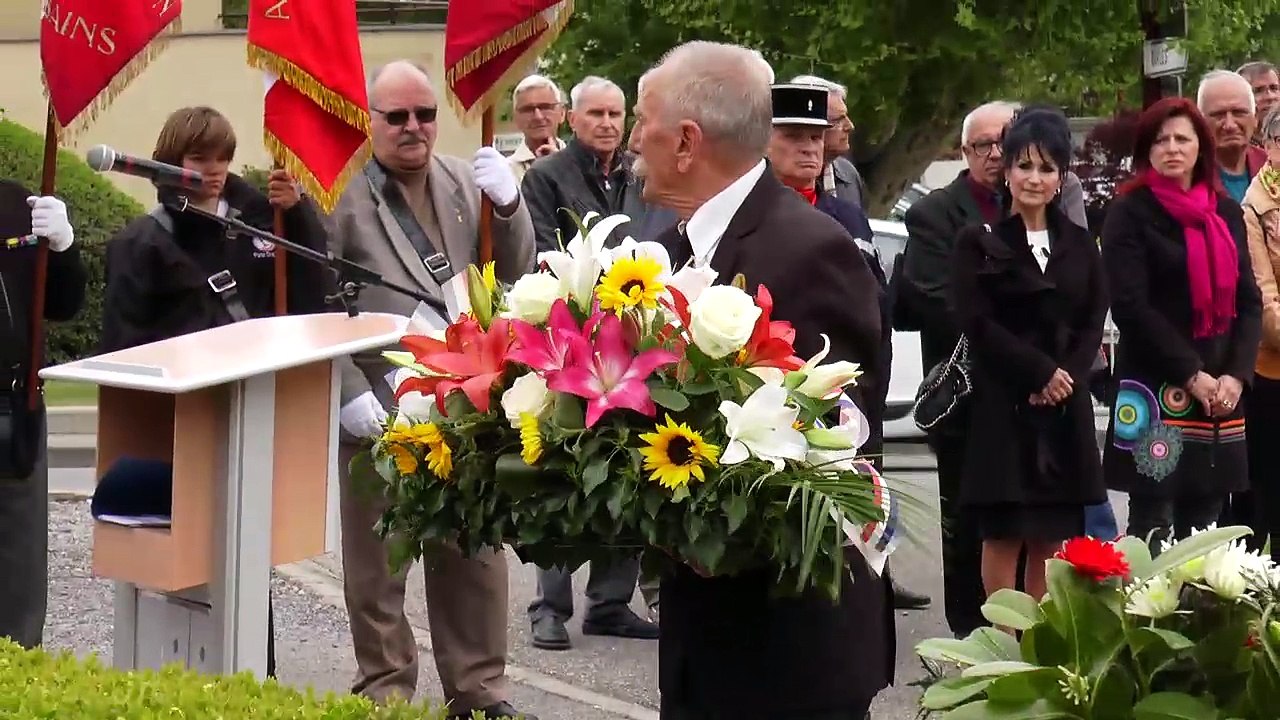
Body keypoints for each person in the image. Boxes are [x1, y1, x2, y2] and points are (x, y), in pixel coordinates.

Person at [634, 40, 893, 720]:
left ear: (687, 141)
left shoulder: (809, 249)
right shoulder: (677, 247)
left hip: (787, 652)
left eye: (643, 120)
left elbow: (837, 449)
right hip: (710, 641)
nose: (635, 137)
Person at [325, 60, 537, 720]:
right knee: (378, 564)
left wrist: (508, 205)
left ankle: (480, 692)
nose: (413, 128)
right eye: (397, 116)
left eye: (424, 114)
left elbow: (515, 271)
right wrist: (341, 392)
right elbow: (314, 302)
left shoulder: (460, 178)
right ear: (370, 121)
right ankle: (385, 692)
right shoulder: (336, 193)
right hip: (378, 399)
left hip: (464, 396)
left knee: (474, 550)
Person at [98, 106, 329, 678]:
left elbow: (310, 292)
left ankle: (255, 678)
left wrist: (297, 218)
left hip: (249, 418)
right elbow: (123, 349)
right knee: (178, 576)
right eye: (201, 158)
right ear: (172, 161)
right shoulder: (142, 243)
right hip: (176, 430)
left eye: (224, 157)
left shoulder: (260, 220)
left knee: (244, 565)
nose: (216, 169)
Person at [766, 82, 928, 613]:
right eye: (794, 137)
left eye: (817, 136)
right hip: (781, 395)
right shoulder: (757, 218)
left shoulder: (848, 215)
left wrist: (871, 384)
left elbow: (874, 305)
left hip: (853, 391)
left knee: (856, 514)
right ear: (763, 140)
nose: (810, 148)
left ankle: (862, 589)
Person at [949, 107, 1109, 601]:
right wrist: (1039, 373)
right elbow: (979, 323)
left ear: (1061, 176)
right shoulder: (979, 242)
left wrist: (1067, 379)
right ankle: (1001, 644)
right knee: (1003, 535)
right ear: (1008, 172)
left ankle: (1038, 647)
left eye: (1045, 168)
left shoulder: (1081, 244)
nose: (1033, 178)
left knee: (1049, 539)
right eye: (1024, 165)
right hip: (1004, 407)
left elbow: (1091, 320)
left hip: (1064, 411)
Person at [1101, 96, 1262, 546]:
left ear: (1199, 148)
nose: (1172, 148)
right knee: (1152, 530)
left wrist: (1234, 376)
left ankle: (1204, 618)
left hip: (1220, 397)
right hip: (1157, 386)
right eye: (1161, 140)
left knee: (1208, 534)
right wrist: (1192, 375)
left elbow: (1249, 301)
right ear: (1146, 151)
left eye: (1182, 139)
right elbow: (1131, 306)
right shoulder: (1129, 214)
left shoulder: (1225, 213)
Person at [897, 99, 1017, 638]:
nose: (995, 154)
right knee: (967, 525)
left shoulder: (1037, 204)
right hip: (967, 394)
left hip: (1031, 396)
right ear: (965, 152)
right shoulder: (934, 214)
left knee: (1027, 523)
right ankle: (971, 635)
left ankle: (1027, 633)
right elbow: (935, 299)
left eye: (1004, 143)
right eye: (981, 145)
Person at [0, 181, 87, 649]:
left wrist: (63, 247)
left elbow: (62, 304)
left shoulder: (18, 206)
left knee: (16, 588)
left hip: (13, 408)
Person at [1240, 104, 1280, 559]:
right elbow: (1263, 294)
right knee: (1266, 498)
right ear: (1267, 146)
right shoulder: (1255, 205)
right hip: (1270, 369)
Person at [508, 74, 566, 183]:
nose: (538, 117)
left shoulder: (584, 166)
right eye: (528, 109)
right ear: (516, 118)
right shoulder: (506, 173)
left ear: (562, 113)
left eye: (545, 107)